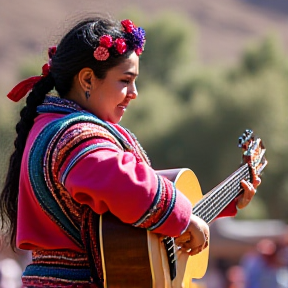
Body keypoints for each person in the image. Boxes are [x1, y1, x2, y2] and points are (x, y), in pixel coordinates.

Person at [0, 16, 260, 288]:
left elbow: (124, 225)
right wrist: (182, 220)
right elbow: (122, 182)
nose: (134, 93)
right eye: (126, 80)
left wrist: (221, 204)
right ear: (87, 79)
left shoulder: (53, 127)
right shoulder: (73, 135)